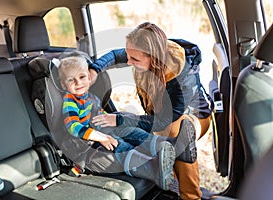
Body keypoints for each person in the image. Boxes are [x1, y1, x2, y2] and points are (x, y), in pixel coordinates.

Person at [89, 22, 213, 200]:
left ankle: (191, 196)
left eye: (135, 60)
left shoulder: (183, 76)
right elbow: (116, 55)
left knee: (179, 132)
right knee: (142, 129)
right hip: (162, 119)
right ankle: (169, 186)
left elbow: (164, 120)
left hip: (195, 117)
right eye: (129, 56)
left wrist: (120, 120)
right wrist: (95, 70)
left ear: (154, 58)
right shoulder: (141, 51)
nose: (129, 62)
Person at [57, 55, 197, 191]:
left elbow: (98, 115)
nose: (78, 83)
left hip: (103, 131)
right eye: (71, 80)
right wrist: (101, 137)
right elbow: (73, 127)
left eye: (82, 77)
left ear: (89, 77)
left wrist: (111, 120)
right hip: (88, 144)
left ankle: (171, 145)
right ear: (63, 84)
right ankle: (153, 169)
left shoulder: (91, 97)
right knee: (121, 146)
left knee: (132, 131)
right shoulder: (70, 100)